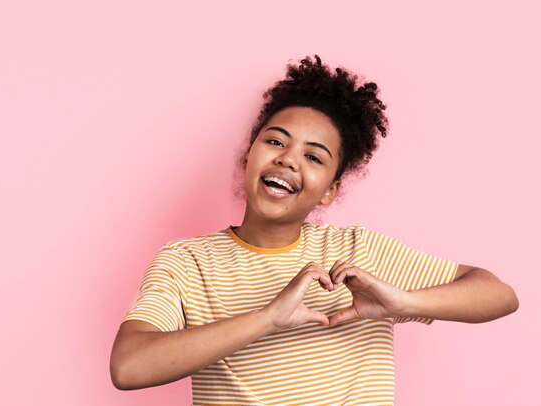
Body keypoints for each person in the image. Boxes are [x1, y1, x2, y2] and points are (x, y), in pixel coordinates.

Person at [110, 55, 519, 405]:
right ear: (248, 156)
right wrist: (268, 318)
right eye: (275, 142)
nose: (288, 160)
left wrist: (403, 303)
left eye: (313, 157)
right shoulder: (186, 262)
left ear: (329, 191)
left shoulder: (358, 251)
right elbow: (129, 366)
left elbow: (498, 294)